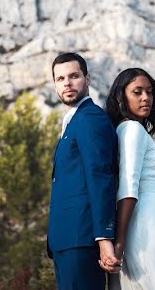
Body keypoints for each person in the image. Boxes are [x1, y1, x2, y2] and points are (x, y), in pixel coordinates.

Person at [47, 52, 121, 289]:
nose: (67, 83)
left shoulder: (91, 119)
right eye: (60, 79)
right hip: (66, 239)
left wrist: (104, 238)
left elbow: (100, 178)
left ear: (87, 79)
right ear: (55, 85)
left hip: (82, 237)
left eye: (74, 76)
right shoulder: (74, 120)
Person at [105, 67, 155, 290]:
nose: (146, 98)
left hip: (151, 224)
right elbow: (128, 188)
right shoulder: (131, 129)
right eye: (137, 92)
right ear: (121, 98)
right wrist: (119, 242)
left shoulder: (130, 130)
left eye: (149, 92)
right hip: (144, 227)